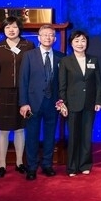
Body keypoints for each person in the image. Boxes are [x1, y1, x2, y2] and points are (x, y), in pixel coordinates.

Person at [0, 16, 35, 178]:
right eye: (7, 27)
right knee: (3, 129)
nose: (11, 30)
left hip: (22, 92)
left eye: (14, 27)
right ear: (3, 30)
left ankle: (19, 163)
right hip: (3, 92)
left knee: (20, 128)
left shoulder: (28, 45)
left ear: (19, 29)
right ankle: (2, 165)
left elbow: (32, 70)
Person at [19, 24, 64, 181]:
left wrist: (62, 101)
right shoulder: (29, 56)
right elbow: (23, 80)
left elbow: (62, 82)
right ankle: (32, 167)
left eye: (51, 35)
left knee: (50, 136)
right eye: (45, 35)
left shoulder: (61, 57)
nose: (48, 37)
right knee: (32, 136)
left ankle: (47, 165)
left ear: (55, 39)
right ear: (39, 37)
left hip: (53, 103)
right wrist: (23, 103)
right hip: (33, 103)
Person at [58, 30, 101, 177]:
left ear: (87, 43)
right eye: (76, 41)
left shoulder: (93, 60)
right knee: (73, 136)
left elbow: (98, 83)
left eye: (83, 40)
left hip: (90, 103)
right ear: (71, 43)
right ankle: (72, 167)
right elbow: (62, 85)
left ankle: (85, 164)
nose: (80, 44)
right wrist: (63, 104)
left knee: (86, 136)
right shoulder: (65, 61)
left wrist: (98, 100)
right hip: (72, 104)